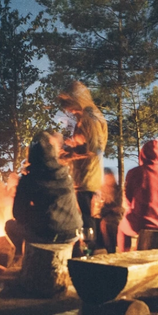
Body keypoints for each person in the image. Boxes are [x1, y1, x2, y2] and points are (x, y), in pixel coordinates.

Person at [5, 130, 83, 251]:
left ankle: (24, 257)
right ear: (52, 151)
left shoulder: (29, 178)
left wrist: (36, 215)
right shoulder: (64, 173)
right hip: (73, 232)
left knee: (10, 225)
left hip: (49, 235)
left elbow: (18, 213)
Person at [57, 81, 107, 245]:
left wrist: (69, 154)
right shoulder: (87, 117)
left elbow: (95, 148)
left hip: (87, 177)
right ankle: (93, 253)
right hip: (84, 177)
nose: (68, 110)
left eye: (69, 105)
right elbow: (86, 142)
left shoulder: (90, 116)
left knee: (87, 219)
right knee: (87, 217)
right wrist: (72, 144)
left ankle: (91, 257)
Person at [117, 139, 158, 252]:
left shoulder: (135, 172)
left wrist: (130, 209)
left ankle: (123, 255)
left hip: (142, 222)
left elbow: (128, 198)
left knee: (121, 228)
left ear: (142, 155)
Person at [99, 167, 125, 253]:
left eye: (109, 177)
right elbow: (99, 208)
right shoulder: (101, 190)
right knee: (104, 224)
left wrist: (117, 209)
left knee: (114, 224)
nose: (108, 179)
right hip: (105, 218)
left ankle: (115, 248)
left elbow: (122, 207)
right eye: (106, 177)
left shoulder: (119, 191)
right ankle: (109, 249)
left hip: (117, 218)